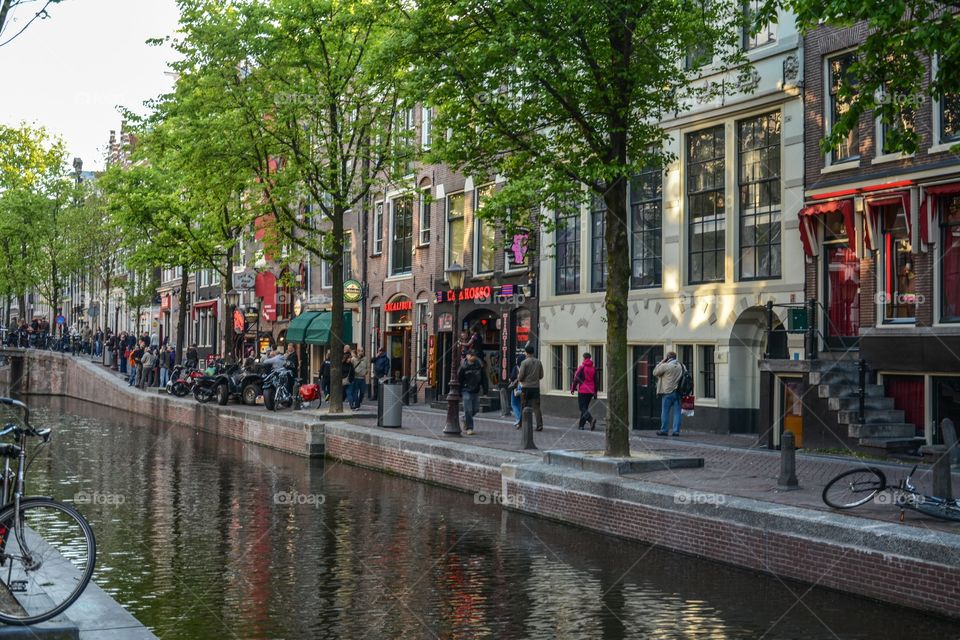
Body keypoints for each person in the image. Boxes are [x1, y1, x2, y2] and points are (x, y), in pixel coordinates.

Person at [653, 351, 684, 436]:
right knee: (677, 412)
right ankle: (676, 431)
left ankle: (664, 430)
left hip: (667, 392)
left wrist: (661, 362)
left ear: (667, 358)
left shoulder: (665, 366)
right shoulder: (681, 366)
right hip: (678, 392)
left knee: (665, 412)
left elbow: (655, 372)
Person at [457, 350, 488, 436]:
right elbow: (459, 379)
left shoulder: (479, 365)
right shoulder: (463, 367)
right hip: (466, 389)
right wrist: (459, 392)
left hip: (475, 390)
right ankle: (469, 428)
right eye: (470, 355)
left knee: (476, 409)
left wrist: (485, 391)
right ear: (467, 356)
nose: (471, 356)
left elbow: (484, 378)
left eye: (473, 355)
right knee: (468, 410)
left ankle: (464, 418)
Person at [517, 344, 544, 431]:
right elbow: (541, 375)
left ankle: (521, 424)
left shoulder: (524, 362)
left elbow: (520, 376)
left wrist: (520, 379)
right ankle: (539, 425)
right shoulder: (538, 362)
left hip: (526, 387)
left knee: (523, 406)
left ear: (526, 353)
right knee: (536, 407)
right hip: (535, 387)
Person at [571, 352, 598, 431]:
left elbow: (576, 379)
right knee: (585, 408)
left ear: (584, 358)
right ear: (590, 358)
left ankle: (590, 419)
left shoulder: (582, 367)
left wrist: (573, 388)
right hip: (590, 391)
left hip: (583, 390)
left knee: (582, 408)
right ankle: (581, 425)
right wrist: (595, 392)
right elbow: (596, 381)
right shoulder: (593, 368)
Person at [507, 353, 525, 428]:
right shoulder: (526, 367)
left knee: (514, 403)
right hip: (524, 388)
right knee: (521, 405)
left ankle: (518, 419)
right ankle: (521, 420)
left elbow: (512, 377)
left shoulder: (516, 367)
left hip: (516, 388)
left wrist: (510, 380)